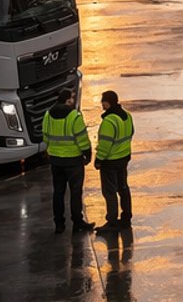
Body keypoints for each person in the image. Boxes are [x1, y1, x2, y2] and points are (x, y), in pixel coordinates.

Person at [41, 92, 93, 234]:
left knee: (58, 192)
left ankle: (59, 224)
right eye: (71, 98)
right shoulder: (74, 117)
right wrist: (87, 155)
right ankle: (77, 222)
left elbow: (45, 137)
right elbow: (82, 139)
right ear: (67, 100)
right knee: (75, 193)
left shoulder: (48, 115)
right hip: (74, 161)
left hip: (56, 161)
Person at [94, 90, 134, 233]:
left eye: (103, 101)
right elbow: (131, 133)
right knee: (123, 188)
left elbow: (105, 144)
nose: (101, 104)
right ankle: (126, 217)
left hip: (110, 162)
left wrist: (98, 160)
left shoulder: (109, 121)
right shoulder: (127, 116)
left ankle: (111, 221)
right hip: (123, 159)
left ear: (108, 102)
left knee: (109, 191)